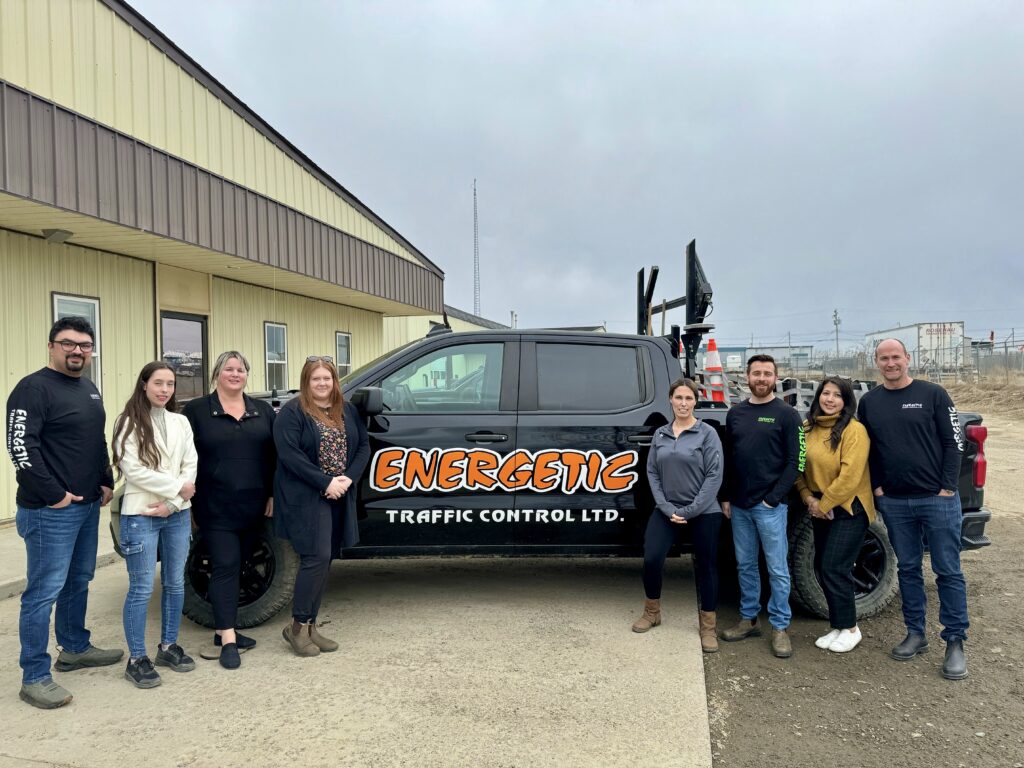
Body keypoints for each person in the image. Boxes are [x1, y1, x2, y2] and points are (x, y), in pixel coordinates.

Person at [6, 317, 123, 709]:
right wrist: (55, 495)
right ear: (52, 346)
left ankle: (74, 648)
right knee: (43, 592)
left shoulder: (88, 388)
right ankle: (35, 676)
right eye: (69, 344)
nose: (77, 351)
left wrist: (106, 479)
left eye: (85, 345)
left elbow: (95, 440)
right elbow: (21, 448)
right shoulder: (33, 388)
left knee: (79, 580)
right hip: (49, 511)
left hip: (88, 504)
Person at [857, 339, 968, 680]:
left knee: (947, 570)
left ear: (907, 359)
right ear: (876, 363)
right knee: (907, 569)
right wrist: (877, 487)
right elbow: (868, 449)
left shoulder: (934, 394)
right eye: (884, 358)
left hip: (938, 499)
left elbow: (956, 441)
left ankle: (954, 641)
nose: (890, 363)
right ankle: (915, 633)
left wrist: (948, 487)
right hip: (895, 501)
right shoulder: (870, 402)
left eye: (896, 357)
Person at [183, 351, 276, 669]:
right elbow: (185, 459)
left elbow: (273, 457)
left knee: (240, 566)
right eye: (228, 369)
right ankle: (228, 641)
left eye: (240, 369)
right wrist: (188, 501)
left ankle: (223, 628)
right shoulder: (196, 411)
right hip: (214, 504)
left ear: (247, 375)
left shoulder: (262, 410)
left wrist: (273, 494)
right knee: (225, 565)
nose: (235, 374)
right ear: (216, 374)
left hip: (253, 505)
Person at [273, 356, 370, 657]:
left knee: (325, 559)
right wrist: (324, 482)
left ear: (334, 381)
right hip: (306, 493)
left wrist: (347, 480)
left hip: (338, 492)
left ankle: (311, 626)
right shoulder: (292, 413)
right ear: (306, 382)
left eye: (327, 378)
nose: (322, 383)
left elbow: (363, 446)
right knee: (317, 556)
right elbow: (290, 456)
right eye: (316, 379)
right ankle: (297, 627)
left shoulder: (347, 409)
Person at [112, 362, 198, 688]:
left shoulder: (181, 421)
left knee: (175, 584)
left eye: (170, 384)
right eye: (158, 383)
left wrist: (174, 503)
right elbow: (132, 470)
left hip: (176, 514)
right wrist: (176, 489)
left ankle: (168, 646)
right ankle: (136, 659)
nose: (164, 390)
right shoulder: (128, 422)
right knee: (142, 588)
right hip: (141, 514)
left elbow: (190, 463)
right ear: (144, 384)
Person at [719, 354, 805, 658]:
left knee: (777, 568)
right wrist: (726, 496)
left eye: (767, 374)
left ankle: (780, 626)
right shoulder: (736, 414)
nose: (761, 379)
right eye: (756, 373)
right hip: (739, 506)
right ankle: (749, 619)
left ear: (775, 378)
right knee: (745, 565)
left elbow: (797, 461)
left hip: (769, 507)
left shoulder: (787, 415)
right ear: (747, 376)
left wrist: (774, 498)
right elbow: (729, 458)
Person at [632, 378, 724, 653]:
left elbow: (714, 475)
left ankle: (708, 626)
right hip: (667, 509)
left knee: (707, 565)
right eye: (679, 398)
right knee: (651, 558)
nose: (684, 403)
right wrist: (667, 507)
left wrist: (690, 510)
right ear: (670, 400)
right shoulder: (661, 434)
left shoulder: (707, 434)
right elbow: (652, 472)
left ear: (696, 402)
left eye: (689, 398)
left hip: (704, 510)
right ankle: (652, 612)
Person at [794, 376, 875, 653]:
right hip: (820, 507)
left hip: (849, 508)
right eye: (825, 394)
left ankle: (851, 629)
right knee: (824, 567)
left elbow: (850, 476)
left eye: (837, 395)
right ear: (817, 398)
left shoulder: (854, 431)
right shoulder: (807, 429)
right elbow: (799, 468)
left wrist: (824, 504)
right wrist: (808, 497)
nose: (830, 399)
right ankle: (838, 626)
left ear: (846, 401)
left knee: (835, 567)